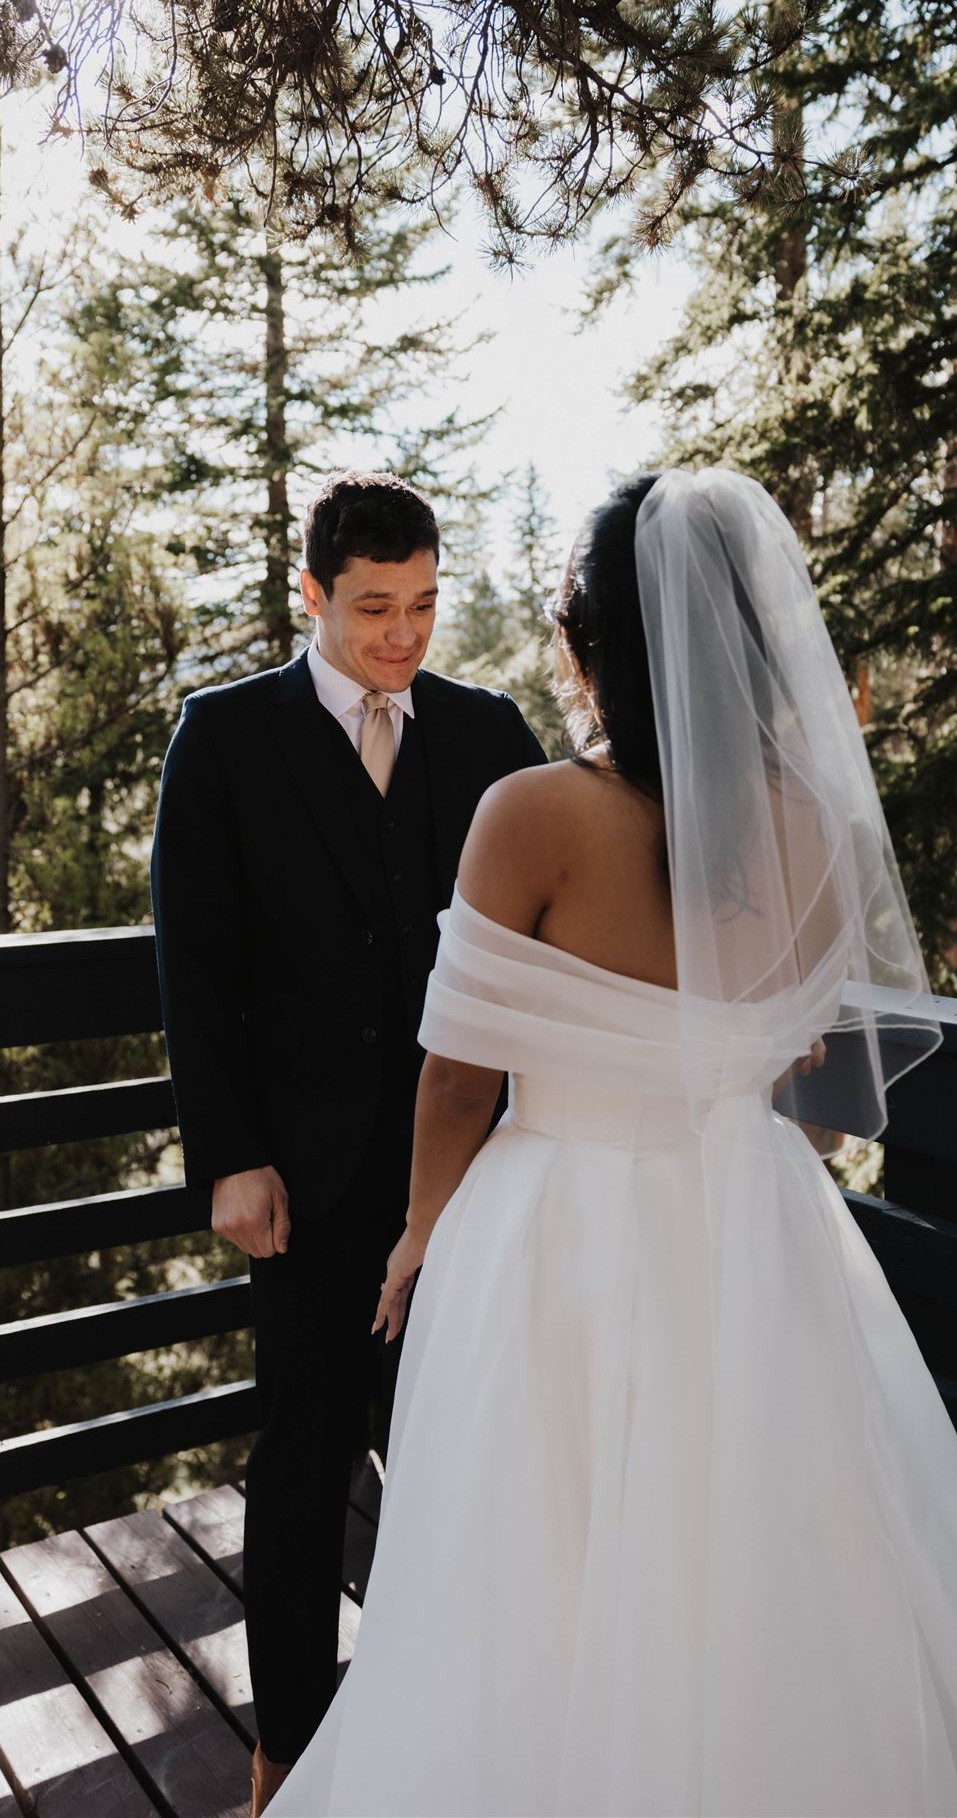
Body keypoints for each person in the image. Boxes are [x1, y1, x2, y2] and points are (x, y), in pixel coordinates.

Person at [267, 468, 957, 1817]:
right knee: (776, 1546)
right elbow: (796, 1045)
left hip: (558, 1218)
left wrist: (423, 1227)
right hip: (752, 1211)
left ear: (588, 646)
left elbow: (453, 1076)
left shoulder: (531, 813)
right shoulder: (826, 835)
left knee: (536, 1559)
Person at [149, 471, 546, 1815]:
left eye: (424, 605)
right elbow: (194, 967)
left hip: (478, 1175)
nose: (401, 636)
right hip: (303, 1183)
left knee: (461, 1458)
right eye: (373, 607)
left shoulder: (491, 732)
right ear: (310, 594)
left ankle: (444, 1746)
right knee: (304, 1462)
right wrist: (230, 1155)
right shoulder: (224, 737)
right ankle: (292, 1754)